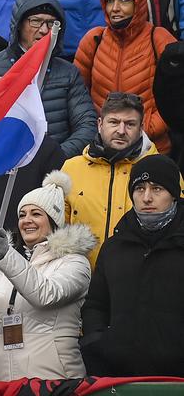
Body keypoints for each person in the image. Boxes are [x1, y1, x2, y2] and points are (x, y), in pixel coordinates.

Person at [0, 170, 93, 380]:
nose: (26, 220)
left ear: (53, 220)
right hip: (4, 375)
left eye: (36, 214)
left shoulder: (75, 262)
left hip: (53, 377)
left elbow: (45, 295)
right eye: (22, 214)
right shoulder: (10, 263)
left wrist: (7, 257)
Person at [79, 153, 184, 377]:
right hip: (121, 376)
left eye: (157, 189)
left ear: (174, 195)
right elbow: (95, 305)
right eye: (139, 189)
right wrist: (100, 342)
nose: (147, 197)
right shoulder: (114, 247)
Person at [0, 0, 97, 158]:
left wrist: (52, 157)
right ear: (18, 25)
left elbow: (87, 125)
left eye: (51, 23)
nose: (44, 30)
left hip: (53, 170)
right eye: (35, 21)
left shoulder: (68, 73)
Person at [76, 0, 177, 155]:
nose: (115, 8)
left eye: (123, 0)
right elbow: (77, 97)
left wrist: (145, 128)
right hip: (103, 149)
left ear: (138, 3)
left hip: (152, 149)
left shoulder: (159, 39)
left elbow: (178, 96)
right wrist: (101, 128)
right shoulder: (94, 40)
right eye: (109, 0)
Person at [62, 91, 153, 256]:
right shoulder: (71, 169)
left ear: (141, 128)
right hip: (81, 276)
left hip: (138, 277)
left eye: (130, 124)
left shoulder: (159, 170)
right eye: (114, 122)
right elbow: (54, 229)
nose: (121, 130)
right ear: (100, 124)